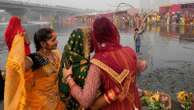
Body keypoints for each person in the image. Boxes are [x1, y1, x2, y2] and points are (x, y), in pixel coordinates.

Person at [64, 17, 143, 110]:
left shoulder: (97, 62)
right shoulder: (129, 51)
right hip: (134, 105)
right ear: (113, 32)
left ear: (95, 37)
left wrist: (69, 79)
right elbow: (140, 66)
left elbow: (85, 101)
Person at [4, 28, 65, 110]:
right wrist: (21, 44)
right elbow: (20, 65)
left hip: (56, 99)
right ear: (43, 44)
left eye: (56, 39)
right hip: (41, 103)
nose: (57, 42)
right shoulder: (35, 58)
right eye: (53, 40)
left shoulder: (56, 53)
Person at [58, 28, 92, 110]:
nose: (91, 45)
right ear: (82, 44)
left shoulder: (66, 54)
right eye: (88, 42)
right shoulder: (85, 66)